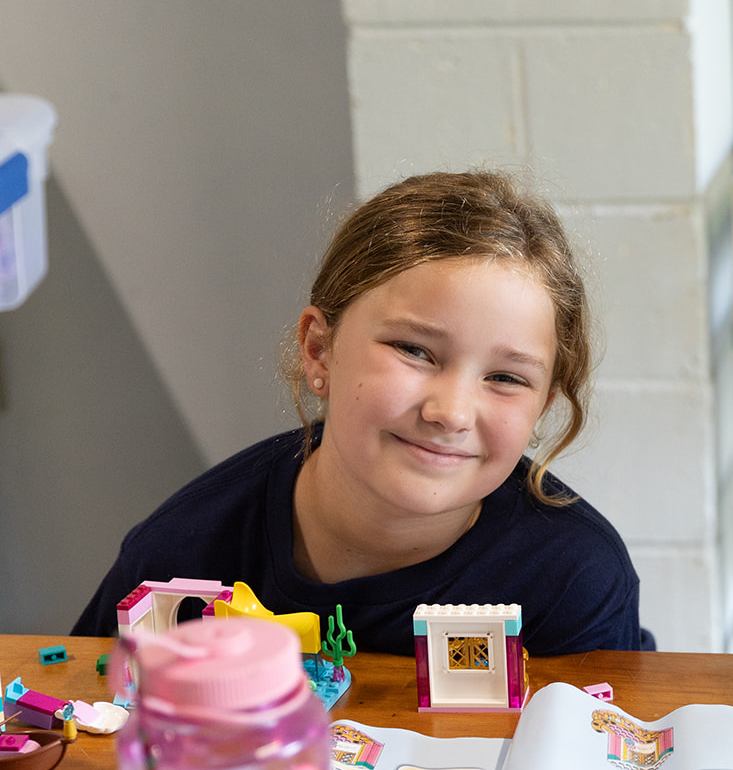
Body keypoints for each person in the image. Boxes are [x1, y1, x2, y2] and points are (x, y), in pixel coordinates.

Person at [74, 171, 644, 656]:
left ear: (543, 405)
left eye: (506, 378)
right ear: (320, 350)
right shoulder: (182, 553)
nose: (450, 413)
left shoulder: (574, 580)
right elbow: (89, 718)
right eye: (414, 351)